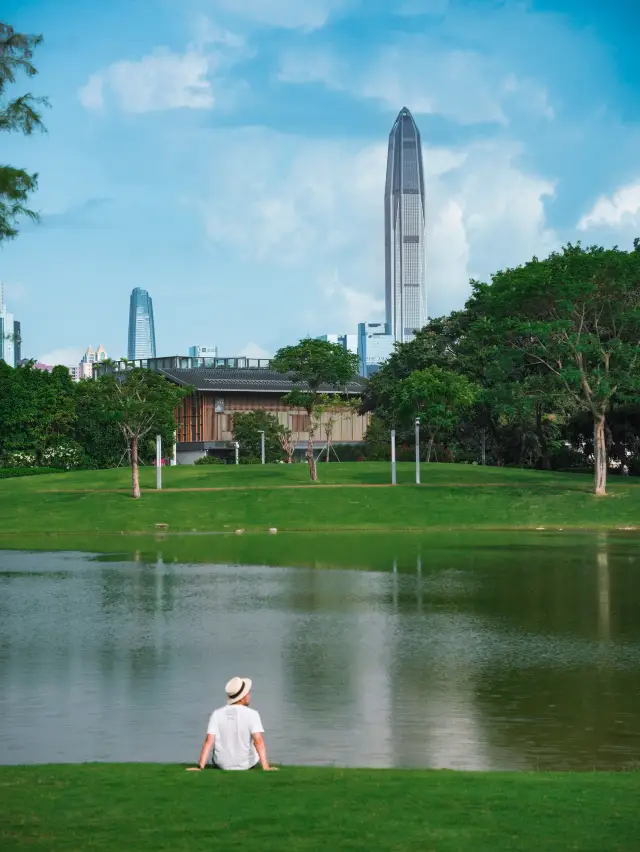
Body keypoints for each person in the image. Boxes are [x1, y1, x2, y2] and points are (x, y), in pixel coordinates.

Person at [187, 677, 277, 771]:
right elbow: (258, 741)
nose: (249, 696)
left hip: (222, 764)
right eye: (248, 693)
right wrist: (266, 767)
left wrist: (200, 767)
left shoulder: (216, 714)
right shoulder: (253, 714)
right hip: (246, 765)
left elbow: (209, 741)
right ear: (242, 698)